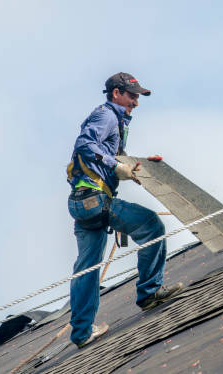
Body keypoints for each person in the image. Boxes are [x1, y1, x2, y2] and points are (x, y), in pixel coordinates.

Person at [66, 72, 182, 348]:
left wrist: (135, 164)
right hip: (94, 200)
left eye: (137, 97)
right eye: (132, 96)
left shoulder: (116, 119)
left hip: (83, 203)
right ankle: (149, 293)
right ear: (116, 93)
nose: (135, 102)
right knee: (151, 225)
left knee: (87, 268)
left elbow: (104, 154)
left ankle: (82, 333)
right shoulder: (106, 115)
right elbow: (85, 145)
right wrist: (115, 165)